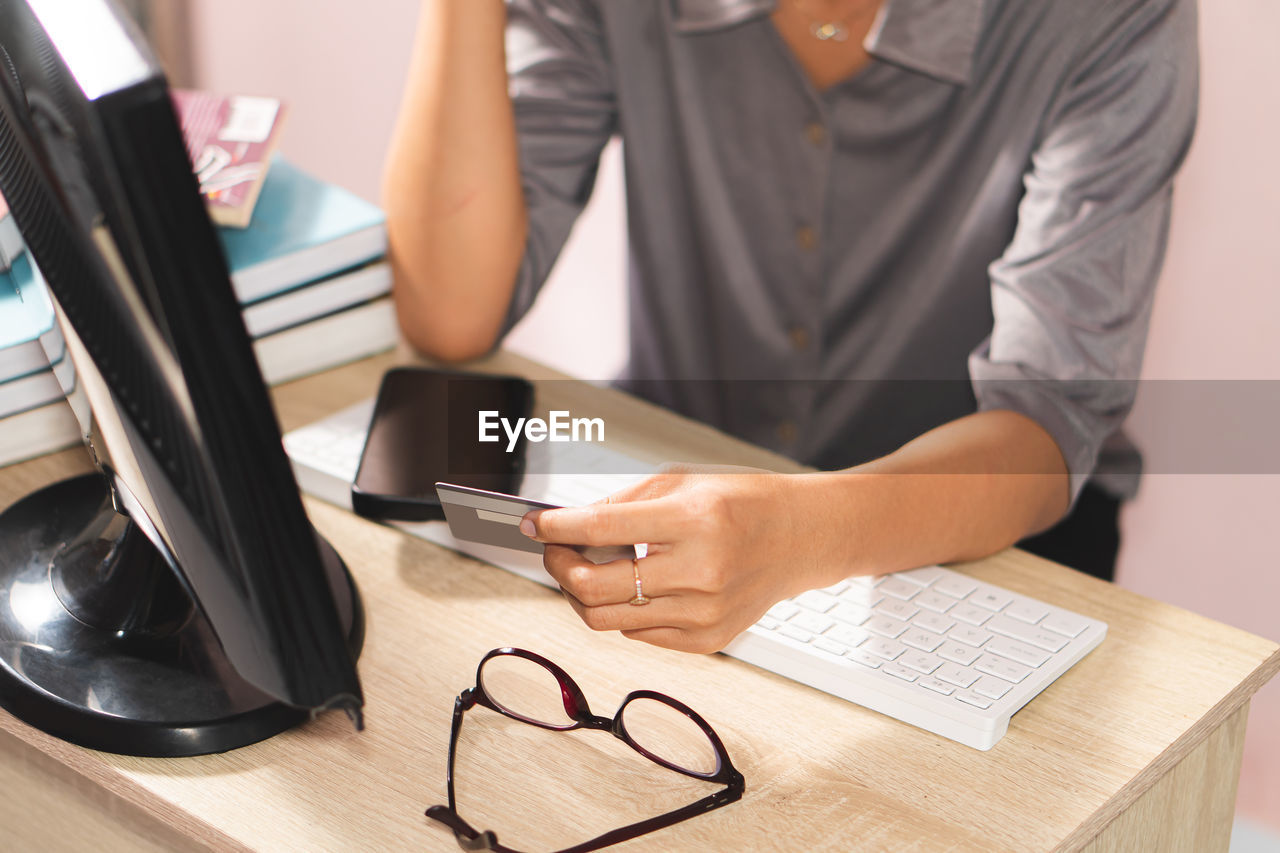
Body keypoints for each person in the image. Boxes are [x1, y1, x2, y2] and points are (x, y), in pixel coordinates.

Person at [382, 0, 1198, 653]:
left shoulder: (1108, 16)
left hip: (991, 544)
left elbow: (1047, 419)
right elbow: (451, 316)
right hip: (680, 498)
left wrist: (804, 530)